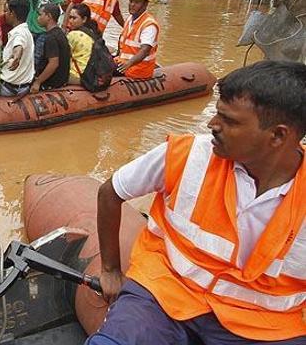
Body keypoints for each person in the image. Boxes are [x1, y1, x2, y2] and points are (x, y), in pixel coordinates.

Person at [91, 61, 306, 344]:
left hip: (261, 322)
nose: (211, 125)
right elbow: (111, 192)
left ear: (278, 135)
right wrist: (110, 270)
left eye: (228, 121)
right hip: (166, 292)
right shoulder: (188, 154)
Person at [114, 0, 159, 79]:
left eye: (137, 2)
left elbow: (145, 50)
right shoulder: (130, 19)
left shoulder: (149, 25)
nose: (132, 4)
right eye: (131, 1)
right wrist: (117, 56)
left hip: (138, 70)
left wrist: (128, 63)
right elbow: (122, 40)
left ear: (145, 4)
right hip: (124, 64)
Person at [31, 3, 71, 93]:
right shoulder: (60, 33)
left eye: (40, 15)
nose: (38, 18)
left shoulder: (50, 38)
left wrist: (38, 82)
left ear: (48, 16)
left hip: (52, 83)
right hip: (62, 80)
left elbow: (53, 64)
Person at [0, 0, 35, 96]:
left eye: (6, 11)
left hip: (9, 88)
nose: (4, 14)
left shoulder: (18, 33)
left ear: (12, 13)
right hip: (24, 86)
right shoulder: (26, 31)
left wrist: (17, 57)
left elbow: (18, 45)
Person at [65, 3, 101, 84]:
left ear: (84, 19)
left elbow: (62, 57)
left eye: (74, 18)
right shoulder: (94, 33)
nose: (70, 21)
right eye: (70, 17)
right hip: (91, 75)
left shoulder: (73, 35)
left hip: (77, 75)